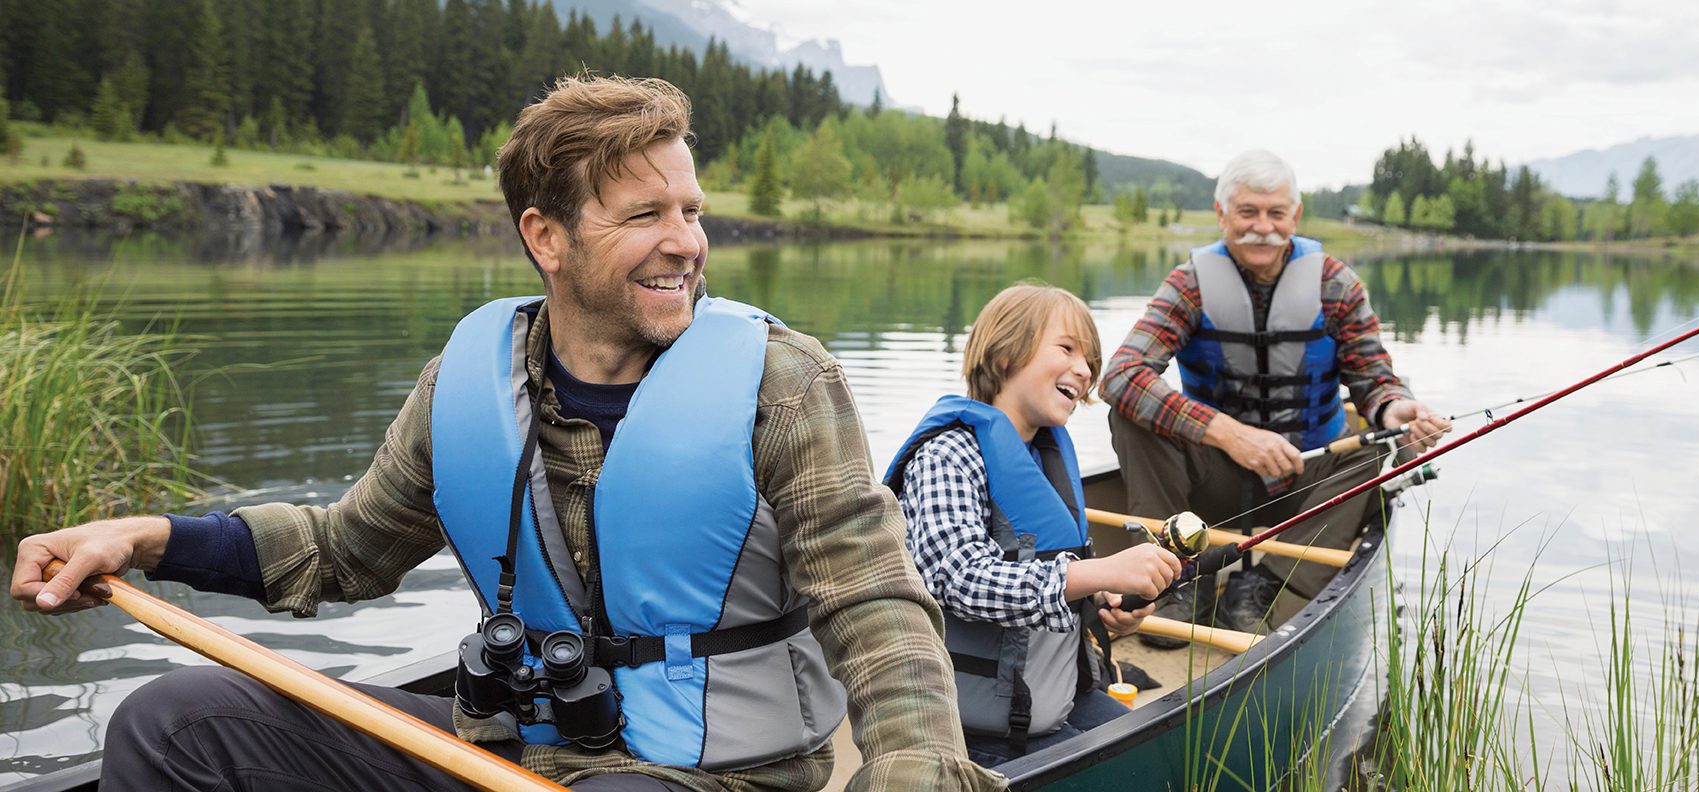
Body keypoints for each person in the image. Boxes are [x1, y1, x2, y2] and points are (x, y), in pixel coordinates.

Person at [11, 75, 1004, 792]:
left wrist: (917, 771)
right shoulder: (467, 382)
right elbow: (340, 554)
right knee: (174, 724)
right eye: (645, 214)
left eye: (692, 211)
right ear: (547, 238)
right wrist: (144, 540)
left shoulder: (783, 383)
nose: (688, 243)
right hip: (508, 752)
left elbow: (877, 609)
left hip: (717, 776)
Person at [1099, 149, 1449, 645]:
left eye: (1275, 213)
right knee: (1131, 412)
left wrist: (1397, 409)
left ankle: (1266, 582)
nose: (1261, 227)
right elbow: (1120, 375)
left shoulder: (1336, 285)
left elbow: (1375, 381)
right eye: (1247, 213)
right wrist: (1231, 435)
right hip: (1213, 481)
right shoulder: (1190, 283)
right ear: (1222, 215)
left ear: (1295, 217)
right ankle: (1177, 571)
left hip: (1308, 482)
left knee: (1384, 444)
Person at [882, 284, 1181, 767]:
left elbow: (1056, 570)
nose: (1085, 371)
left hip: (1058, 697)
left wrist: (1104, 601)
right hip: (974, 730)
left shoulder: (1044, 455)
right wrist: (1100, 573)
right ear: (1005, 356)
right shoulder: (947, 455)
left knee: (1169, 759)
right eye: (1066, 349)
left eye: (1090, 360)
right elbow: (958, 578)